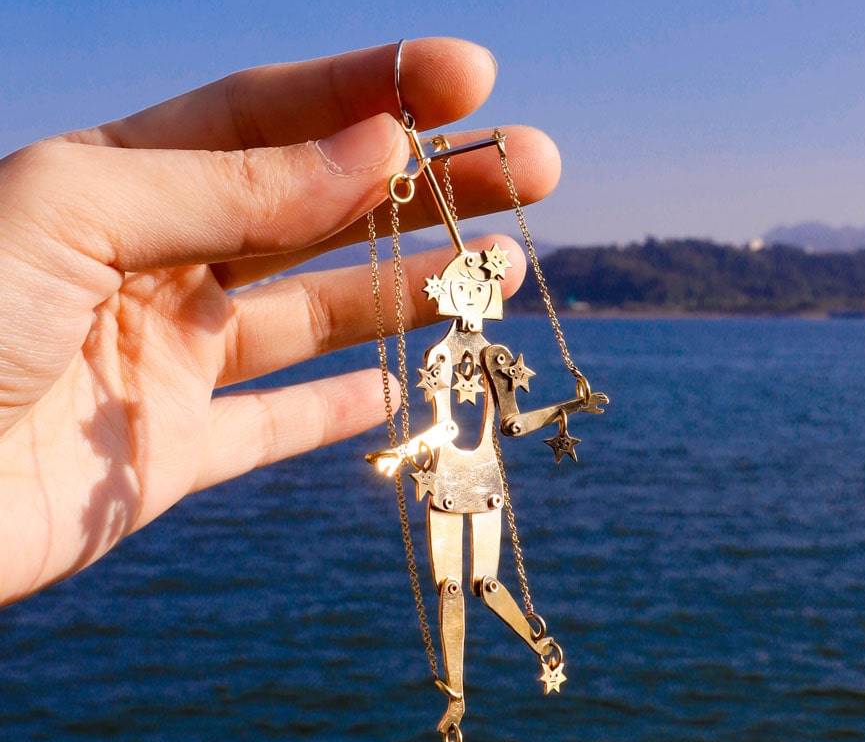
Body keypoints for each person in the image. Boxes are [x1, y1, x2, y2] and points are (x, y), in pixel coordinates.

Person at [0, 37, 560, 607]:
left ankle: (512, 652)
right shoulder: (449, 358)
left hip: (470, 477)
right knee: (456, 588)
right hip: (461, 477)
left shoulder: (472, 357)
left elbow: (498, 420)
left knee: (469, 586)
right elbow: (477, 421)